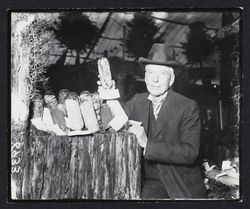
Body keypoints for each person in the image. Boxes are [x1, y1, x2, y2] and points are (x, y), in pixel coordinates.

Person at [122, 43, 207, 199]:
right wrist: (108, 94)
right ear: (145, 76)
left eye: (162, 73)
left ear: (171, 78)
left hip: (180, 184)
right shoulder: (136, 101)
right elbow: (115, 120)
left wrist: (147, 144)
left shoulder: (187, 106)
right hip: (147, 182)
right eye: (150, 72)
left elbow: (190, 152)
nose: (155, 79)